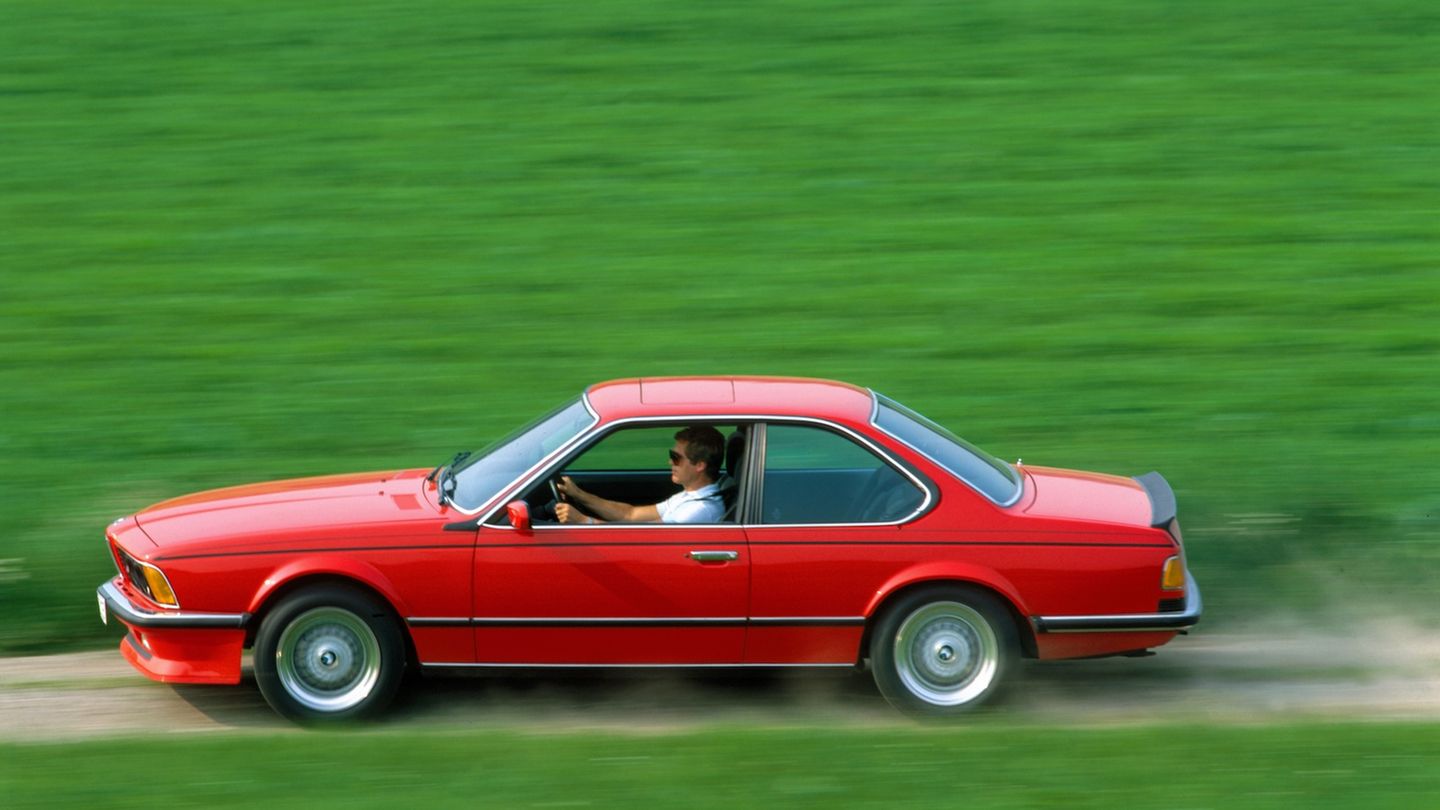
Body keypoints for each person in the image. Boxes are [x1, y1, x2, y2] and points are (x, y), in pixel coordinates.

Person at [556, 425, 727, 524]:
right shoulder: (688, 497)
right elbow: (630, 514)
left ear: (699, 465)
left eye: (676, 458)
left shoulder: (697, 510)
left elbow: (639, 537)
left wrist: (583, 521)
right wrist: (578, 494)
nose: (670, 462)